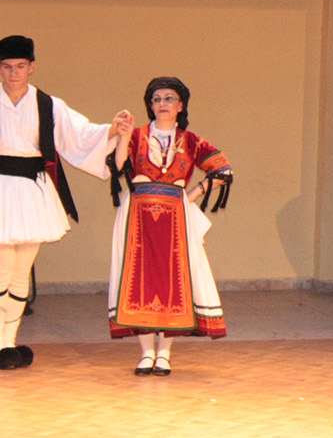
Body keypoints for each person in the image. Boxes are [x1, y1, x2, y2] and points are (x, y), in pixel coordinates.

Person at [0, 34, 132, 371]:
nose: (13, 73)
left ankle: (8, 342)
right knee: (1, 270)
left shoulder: (47, 104)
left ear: (31, 67)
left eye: (19, 66)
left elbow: (80, 134)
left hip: (32, 192)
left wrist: (112, 130)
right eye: (7, 67)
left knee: (21, 270)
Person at [108, 77, 234, 376]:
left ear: (180, 105)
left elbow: (223, 169)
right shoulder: (137, 135)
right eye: (156, 99)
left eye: (169, 98)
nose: (162, 104)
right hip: (137, 215)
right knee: (139, 278)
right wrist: (123, 137)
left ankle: (164, 353)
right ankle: (145, 352)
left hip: (175, 216)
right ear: (150, 106)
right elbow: (118, 166)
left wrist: (192, 195)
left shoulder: (191, 141)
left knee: (172, 280)